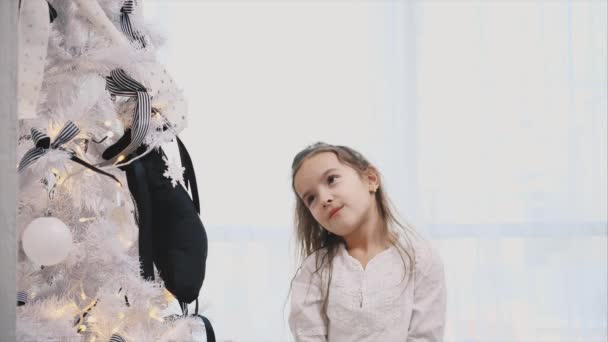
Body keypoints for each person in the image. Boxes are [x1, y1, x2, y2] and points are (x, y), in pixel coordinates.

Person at [288, 142, 446, 341]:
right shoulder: (314, 271)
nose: (324, 199)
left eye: (331, 179)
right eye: (311, 198)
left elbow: (426, 336)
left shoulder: (421, 259)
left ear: (371, 179)